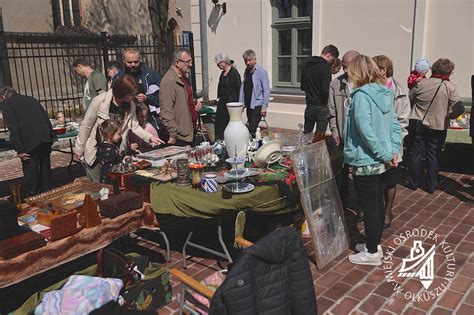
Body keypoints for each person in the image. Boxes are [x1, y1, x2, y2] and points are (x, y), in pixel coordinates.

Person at [344, 55, 401, 266]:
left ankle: (371, 252)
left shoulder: (361, 96)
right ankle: (374, 244)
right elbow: (395, 127)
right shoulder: (385, 93)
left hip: (366, 160)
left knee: (370, 207)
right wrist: (392, 151)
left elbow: (366, 131)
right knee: (376, 204)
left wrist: (387, 153)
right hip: (381, 160)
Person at [74, 75, 164, 182]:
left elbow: (134, 126)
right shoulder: (99, 101)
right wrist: (79, 148)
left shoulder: (130, 105)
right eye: (130, 95)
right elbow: (86, 125)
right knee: (97, 186)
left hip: (116, 152)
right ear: (122, 92)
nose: (132, 97)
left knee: (114, 186)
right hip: (97, 151)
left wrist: (150, 137)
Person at [407, 58, 465, 193]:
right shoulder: (450, 87)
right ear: (449, 72)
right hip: (438, 125)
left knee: (415, 153)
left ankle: (413, 182)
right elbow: (460, 108)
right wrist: (449, 116)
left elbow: (410, 99)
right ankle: (431, 185)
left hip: (418, 122)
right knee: (433, 155)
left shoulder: (420, 83)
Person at [373, 55, 411, 229]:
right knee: (374, 179)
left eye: (374, 68)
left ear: (384, 70)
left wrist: (395, 144)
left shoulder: (399, 91)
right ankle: (371, 210)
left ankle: (387, 211)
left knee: (390, 180)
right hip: (375, 145)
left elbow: (403, 121)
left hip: (393, 144)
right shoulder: (371, 89)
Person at [0, 87, 56, 197]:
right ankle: (48, 194)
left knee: (31, 173)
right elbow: (46, 119)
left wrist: (20, 149)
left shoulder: (7, 104)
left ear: (3, 97)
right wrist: (50, 138)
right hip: (44, 138)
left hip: (29, 142)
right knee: (45, 170)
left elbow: (13, 128)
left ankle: (33, 196)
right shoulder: (31, 99)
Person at [327, 50, 360, 211]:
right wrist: (334, 130)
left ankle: (361, 205)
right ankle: (342, 200)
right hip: (342, 135)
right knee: (341, 170)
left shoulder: (365, 84)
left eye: (349, 67)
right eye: (344, 67)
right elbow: (331, 110)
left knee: (359, 173)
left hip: (360, 138)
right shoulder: (335, 84)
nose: (345, 71)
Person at [160, 48, 202, 147]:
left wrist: (193, 108)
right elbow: (166, 110)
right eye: (188, 62)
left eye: (191, 61)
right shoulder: (169, 81)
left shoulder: (183, 78)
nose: (190, 65)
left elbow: (183, 102)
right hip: (179, 137)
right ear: (177, 63)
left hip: (189, 133)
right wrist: (172, 134)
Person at [301, 45, 339, 142]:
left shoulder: (307, 64)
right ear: (329, 55)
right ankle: (316, 156)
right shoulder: (325, 67)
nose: (332, 62)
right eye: (333, 59)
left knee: (306, 134)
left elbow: (303, 86)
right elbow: (325, 90)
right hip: (322, 106)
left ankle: (303, 154)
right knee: (319, 138)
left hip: (309, 104)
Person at [114, 48, 161, 121]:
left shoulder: (151, 75)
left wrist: (147, 98)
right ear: (123, 60)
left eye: (136, 62)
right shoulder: (118, 77)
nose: (133, 65)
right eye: (129, 62)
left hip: (148, 117)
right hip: (126, 116)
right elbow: (114, 98)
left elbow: (162, 97)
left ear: (140, 59)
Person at [239, 49, 270, 138]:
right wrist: (241, 104)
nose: (247, 63)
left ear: (254, 59)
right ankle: (253, 144)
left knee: (252, 127)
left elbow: (266, 90)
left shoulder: (261, 72)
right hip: (249, 104)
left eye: (249, 60)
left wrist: (264, 107)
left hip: (258, 104)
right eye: (246, 61)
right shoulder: (247, 71)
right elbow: (243, 88)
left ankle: (253, 145)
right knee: (251, 126)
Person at [214, 53, 241, 140]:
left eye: (218, 64)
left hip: (231, 102)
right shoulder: (222, 74)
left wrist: (239, 104)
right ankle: (220, 140)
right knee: (219, 123)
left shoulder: (234, 73)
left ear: (223, 62)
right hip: (222, 102)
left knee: (228, 123)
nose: (218, 66)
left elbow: (239, 89)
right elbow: (220, 87)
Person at [97, 119, 122, 183]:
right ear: (110, 134)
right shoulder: (109, 150)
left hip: (107, 179)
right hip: (110, 182)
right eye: (118, 134)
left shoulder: (104, 146)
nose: (120, 136)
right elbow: (109, 169)